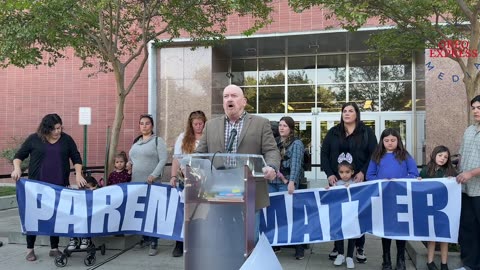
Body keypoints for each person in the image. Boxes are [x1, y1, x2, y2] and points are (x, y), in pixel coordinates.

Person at [195, 84, 280, 223]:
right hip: (220, 190)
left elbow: (271, 150)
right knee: (223, 236)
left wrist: (271, 166)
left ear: (244, 102)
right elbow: (200, 153)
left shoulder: (261, 123)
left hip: (250, 190)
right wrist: (187, 166)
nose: (229, 99)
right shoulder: (211, 125)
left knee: (249, 239)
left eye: (234, 96)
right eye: (226, 96)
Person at [10, 113, 86, 262]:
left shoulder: (66, 139)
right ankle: (30, 249)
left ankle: (54, 248)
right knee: (33, 217)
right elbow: (19, 156)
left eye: (60, 128)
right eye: (55, 129)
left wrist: (78, 174)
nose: (58, 131)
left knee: (55, 218)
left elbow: (76, 158)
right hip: (36, 188)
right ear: (46, 129)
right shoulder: (34, 139)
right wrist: (17, 168)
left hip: (58, 187)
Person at [321, 102, 377, 263]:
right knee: (338, 214)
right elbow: (324, 154)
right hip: (337, 181)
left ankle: (359, 246)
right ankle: (337, 247)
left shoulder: (366, 132)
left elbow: (374, 155)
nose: (347, 113)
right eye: (344, 111)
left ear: (357, 114)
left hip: (358, 181)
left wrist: (363, 172)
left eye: (350, 111)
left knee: (357, 214)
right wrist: (330, 174)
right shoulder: (333, 132)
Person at [366, 128, 419, 270]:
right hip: (384, 197)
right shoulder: (377, 156)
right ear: (382, 142)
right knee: (387, 228)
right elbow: (369, 175)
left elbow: (414, 173)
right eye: (387, 140)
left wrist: (399, 180)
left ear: (398, 141)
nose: (390, 143)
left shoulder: (405, 155)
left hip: (401, 197)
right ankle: (386, 259)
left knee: (401, 228)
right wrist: (383, 180)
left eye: (393, 140)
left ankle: (401, 259)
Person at [128, 114, 168, 256]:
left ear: (152, 126)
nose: (144, 126)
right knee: (142, 212)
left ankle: (154, 242)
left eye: (147, 123)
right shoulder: (136, 142)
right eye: (141, 123)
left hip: (152, 183)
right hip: (137, 183)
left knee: (153, 212)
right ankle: (144, 239)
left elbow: (163, 159)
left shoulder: (158, 141)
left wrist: (154, 175)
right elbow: (132, 158)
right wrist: (129, 164)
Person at [169, 110, 207, 257]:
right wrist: (173, 175)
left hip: (203, 180)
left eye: (201, 124)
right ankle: (179, 243)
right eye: (196, 124)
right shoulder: (183, 138)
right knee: (184, 213)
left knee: (201, 213)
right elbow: (177, 158)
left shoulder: (207, 136)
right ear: (190, 125)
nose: (198, 126)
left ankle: (198, 243)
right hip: (186, 179)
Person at [269, 116, 305, 259]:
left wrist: (292, 182)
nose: (281, 128)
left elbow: (296, 163)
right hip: (273, 182)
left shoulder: (296, 143)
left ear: (290, 128)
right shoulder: (275, 142)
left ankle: (299, 246)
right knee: (274, 213)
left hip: (286, 182)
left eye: (284, 125)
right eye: (280, 125)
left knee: (290, 215)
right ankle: (275, 244)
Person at [419, 146, 457, 270]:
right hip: (430, 209)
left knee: (444, 237)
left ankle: (444, 264)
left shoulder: (450, 172)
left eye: (445, 157)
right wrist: (419, 180)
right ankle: (430, 262)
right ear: (434, 154)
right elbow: (420, 188)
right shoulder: (426, 170)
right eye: (440, 155)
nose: (442, 159)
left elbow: (457, 187)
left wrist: (453, 181)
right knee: (432, 237)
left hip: (445, 209)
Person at [455, 95, 480, 270]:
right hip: (465, 190)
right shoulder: (469, 130)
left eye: (479, 108)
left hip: (479, 190)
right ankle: (470, 265)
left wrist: (471, 172)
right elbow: (461, 155)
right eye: (474, 108)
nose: (476, 111)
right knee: (468, 229)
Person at [328, 153, 357, 269]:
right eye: (341, 172)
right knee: (339, 232)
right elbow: (331, 196)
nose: (344, 175)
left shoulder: (356, 184)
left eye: (347, 172)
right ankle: (340, 254)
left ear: (352, 172)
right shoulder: (336, 184)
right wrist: (327, 190)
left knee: (352, 234)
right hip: (339, 214)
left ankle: (350, 256)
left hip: (352, 214)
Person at [67, 176, 99, 251]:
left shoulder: (98, 195)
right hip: (79, 216)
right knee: (72, 217)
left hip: (91, 217)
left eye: (88, 187)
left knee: (86, 219)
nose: (86, 190)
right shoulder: (79, 194)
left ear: (95, 187)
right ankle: (73, 239)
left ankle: (85, 238)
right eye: (84, 188)